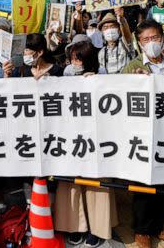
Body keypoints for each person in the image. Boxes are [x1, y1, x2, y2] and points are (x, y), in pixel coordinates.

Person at [120, 19, 164, 248]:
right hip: (142, 133)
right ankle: (141, 230)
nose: (151, 43)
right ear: (139, 43)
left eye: (155, 38)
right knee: (143, 185)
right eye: (146, 40)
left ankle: (157, 226)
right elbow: (119, 97)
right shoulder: (132, 67)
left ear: (162, 38)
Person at [55, 40, 117, 247]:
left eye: (78, 58)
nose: (74, 62)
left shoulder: (102, 72)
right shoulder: (65, 73)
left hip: (96, 135)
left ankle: (98, 228)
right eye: (72, 58)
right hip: (70, 134)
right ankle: (75, 225)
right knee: (71, 180)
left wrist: (97, 82)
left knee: (96, 181)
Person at [97, 9, 134, 74]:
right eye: (106, 28)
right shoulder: (101, 53)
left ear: (119, 30)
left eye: (112, 26)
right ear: (102, 32)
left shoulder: (125, 44)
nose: (109, 30)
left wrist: (121, 19)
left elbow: (127, 35)